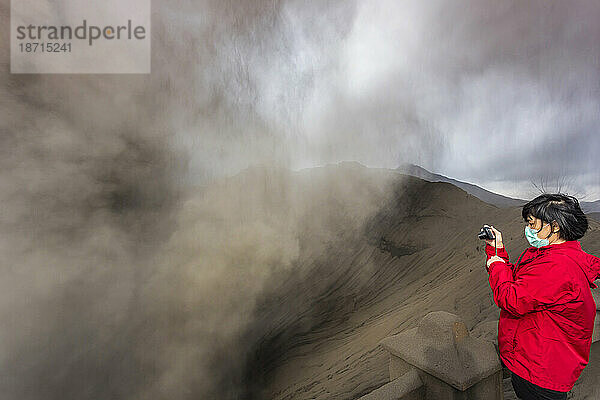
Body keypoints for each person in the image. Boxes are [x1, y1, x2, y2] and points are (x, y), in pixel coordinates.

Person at [484, 193, 600, 400]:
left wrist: (495, 264)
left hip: (540, 371)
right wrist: (498, 250)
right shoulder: (561, 256)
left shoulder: (556, 266)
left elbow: (511, 298)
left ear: (554, 226)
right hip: (551, 361)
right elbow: (526, 284)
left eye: (532, 223)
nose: (528, 230)